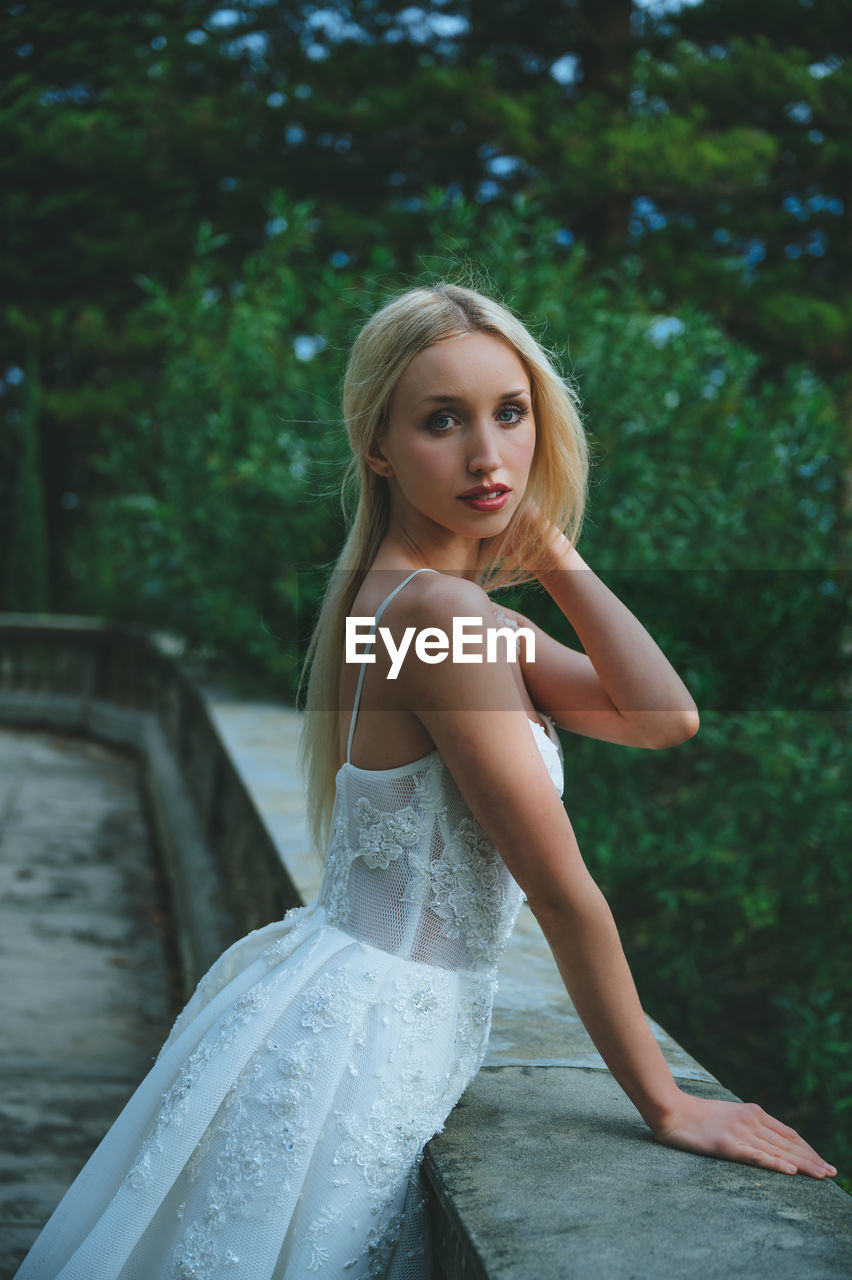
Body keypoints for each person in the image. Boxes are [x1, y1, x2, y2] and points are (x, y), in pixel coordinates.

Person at [16, 283, 835, 1280]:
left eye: (510, 411)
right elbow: (560, 888)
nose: (488, 457)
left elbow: (663, 717)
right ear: (378, 443)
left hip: (337, 994)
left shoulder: (422, 604)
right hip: (366, 1035)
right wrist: (665, 1098)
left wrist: (559, 556)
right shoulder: (436, 616)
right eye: (442, 420)